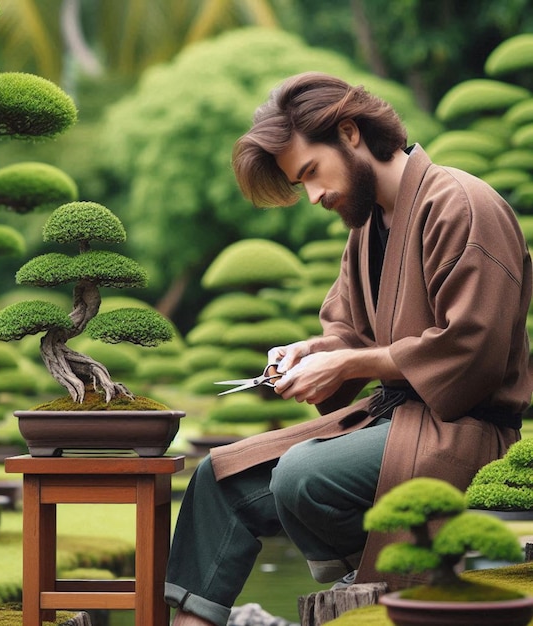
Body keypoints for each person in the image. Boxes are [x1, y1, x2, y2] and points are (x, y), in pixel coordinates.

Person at [164, 72, 533, 626]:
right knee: (219, 477)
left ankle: (367, 580)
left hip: (464, 433)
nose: (313, 197)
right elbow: (350, 335)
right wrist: (310, 352)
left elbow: (471, 351)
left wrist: (351, 362)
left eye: (311, 172)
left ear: (350, 132)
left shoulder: (462, 204)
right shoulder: (367, 228)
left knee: (302, 475)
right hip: (391, 424)